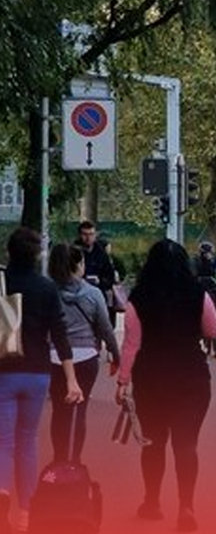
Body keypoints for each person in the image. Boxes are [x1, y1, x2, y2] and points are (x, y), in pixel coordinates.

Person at [117, 240, 216, 531]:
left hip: (151, 379)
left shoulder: (139, 297)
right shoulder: (197, 293)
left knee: (153, 444)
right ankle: (186, 506)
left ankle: (152, 502)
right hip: (192, 378)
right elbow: (212, 329)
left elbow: (132, 344)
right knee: (186, 444)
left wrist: (123, 381)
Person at [1, 228, 83, 534]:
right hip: (38, 374)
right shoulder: (46, 287)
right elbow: (60, 335)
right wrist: (72, 380)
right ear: (37, 256)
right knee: (27, 441)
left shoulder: (1, 284)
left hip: (4, 372)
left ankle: (3, 496)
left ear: (9, 252)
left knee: (4, 443)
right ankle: (25, 513)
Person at [47, 244, 120, 465]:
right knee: (80, 409)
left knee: (59, 411)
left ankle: (59, 458)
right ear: (78, 265)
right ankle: (75, 461)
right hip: (86, 356)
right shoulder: (93, 293)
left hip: (55, 356)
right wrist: (116, 356)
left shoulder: (48, 291)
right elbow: (105, 328)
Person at [72, 221, 119, 318]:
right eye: (85, 234)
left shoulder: (101, 253)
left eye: (91, 234)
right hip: (78, 296)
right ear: (80, 235)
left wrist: (100, 281)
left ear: (95, 235)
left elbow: (110, 275)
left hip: (99, 294)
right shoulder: (73, 252)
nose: (88, 238)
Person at [194, 241, 216, 358]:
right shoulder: (196, 261)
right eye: (207, 252)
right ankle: (198, 331)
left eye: (210, 252)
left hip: (213, 288)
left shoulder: (215, 261)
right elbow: (193, 273)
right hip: (200, 289)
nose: (209, 254)